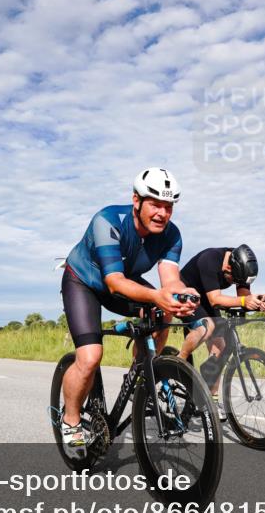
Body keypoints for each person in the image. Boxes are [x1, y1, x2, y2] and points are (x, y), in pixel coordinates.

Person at [59, 168, 198, 457]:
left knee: (165, 311)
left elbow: (170, 280)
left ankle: (140, 377)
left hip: (124, 281)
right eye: (155, 204)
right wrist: (157, 296)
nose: (162, 213)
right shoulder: (107, 220)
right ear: (136, 200)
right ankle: (70, 420)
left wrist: (181, 294)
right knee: (90, 357)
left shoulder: (172, 235)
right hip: (85, 282)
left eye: (168, 207)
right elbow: (114, 281)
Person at [177, 245, 265, 420]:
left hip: (208, 296)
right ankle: (178, 361)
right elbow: (215, 300)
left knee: (220, 345)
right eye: (233, 280)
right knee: (207, 326)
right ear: (228, 267)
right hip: (186, 291)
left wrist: (256, 303)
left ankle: (211, 399)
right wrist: (244, 301)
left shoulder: (240, 265)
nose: (235, 284)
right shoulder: (210, 259)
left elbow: (243, 296)